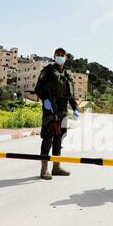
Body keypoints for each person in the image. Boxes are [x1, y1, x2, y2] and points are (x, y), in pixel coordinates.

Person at [34, 48, 80, 180]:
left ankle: (56, 167)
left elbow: (71, 95)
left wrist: (75, 108)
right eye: (57, 55)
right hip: (50, 110)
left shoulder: (68, 74)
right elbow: (38, 89)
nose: (60, 57)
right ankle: (44, 169)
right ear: (54, 57)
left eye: (62, 55)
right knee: (48, 138)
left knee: (59, 139)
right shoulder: (47, 71)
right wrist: (45, 100)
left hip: (63, 111)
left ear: (66, 58)